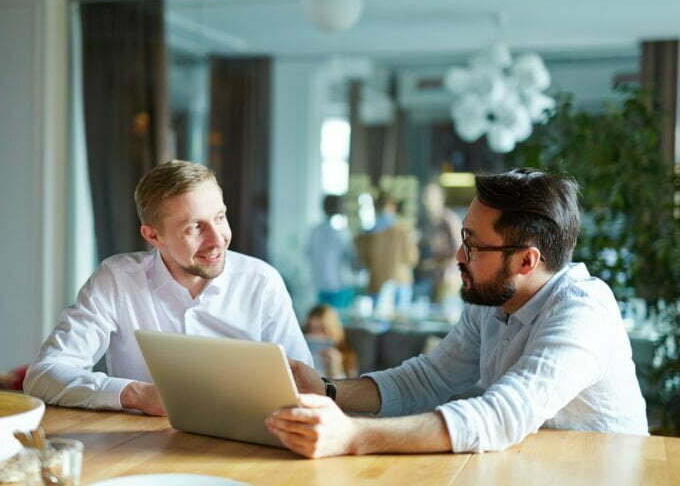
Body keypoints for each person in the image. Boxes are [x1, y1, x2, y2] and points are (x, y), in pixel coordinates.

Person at [266, 168, 647, 458]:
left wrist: (353, 436)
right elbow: (427, 380)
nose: (458, 256)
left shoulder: (583, 313)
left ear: (527, 261)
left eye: (473, 245)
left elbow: (500, 416)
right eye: (463, 237)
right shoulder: (492, 300)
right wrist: (329, 391)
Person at [24, 160, 312, 415]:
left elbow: (306, 387)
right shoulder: (117, 278)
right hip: (142, 447)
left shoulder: (262, 282)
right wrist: (138, 395)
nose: (217, 240)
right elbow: (44, 375)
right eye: (194, 228)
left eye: (220, 217)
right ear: (153, 236)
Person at [355, 192, 419, 310]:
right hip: (400, 282)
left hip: (377, 283)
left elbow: (362, 261)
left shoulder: (367, 234)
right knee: (400, 323)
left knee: (378, 322)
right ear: (392, 207)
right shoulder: (402, 232)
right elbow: (412, 258)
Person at [306, 195, 356, 309]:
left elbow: (309, 254)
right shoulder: (341, 231)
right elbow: (351, 256)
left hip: (320, 284)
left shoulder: (315, 231)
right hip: (339, 286)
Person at [416, 181, 462, 302]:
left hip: (449, 280)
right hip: (434, 279)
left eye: (430, 196)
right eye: (424, 196)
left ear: (440, 198)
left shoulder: (448, 221)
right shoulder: (429, 223)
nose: (426, 200)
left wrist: (433, 263)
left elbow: (460, 252)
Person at [303, 304, 357, 378]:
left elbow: (350, 388)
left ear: (332, 330)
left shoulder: (347, 355)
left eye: (321, 329)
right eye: (310, 328)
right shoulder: (298, 350)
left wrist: (335, 371)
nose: (314, 335)